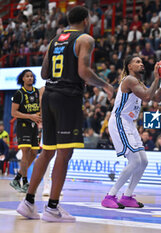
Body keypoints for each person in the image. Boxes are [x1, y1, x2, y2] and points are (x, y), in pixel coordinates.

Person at [17, 6, 114, 222]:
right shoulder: (85, 39)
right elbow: (83, 72)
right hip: (67, 97)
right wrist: (106, 86)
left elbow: (43, 72)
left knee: (47, 151)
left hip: (49, 94)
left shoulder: (54, 40)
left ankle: (28, 202)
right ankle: (52, 208)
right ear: (86, 19)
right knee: (64, 153)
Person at [101, 55, 161, 209]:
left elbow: (156, 98)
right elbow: (147, 97)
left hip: (129, 123)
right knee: (135, 161)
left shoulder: (139, 83)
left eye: (141, 61)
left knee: (143, 161)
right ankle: (110, 195)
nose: (141, 63)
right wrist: (157, 78)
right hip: (119, 120)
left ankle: (128, 196)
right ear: (129, 66)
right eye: (137, 62)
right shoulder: (129, 80)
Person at [10, 69, 41, 193]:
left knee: (34, 153)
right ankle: (25, 182)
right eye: (27, 76)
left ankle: (16, 178)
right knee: (26, 152)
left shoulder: (38, 92)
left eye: (31, 76)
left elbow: (39, 108)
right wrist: (30, 116)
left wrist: (38, 115)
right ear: (22, 79)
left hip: (34, 127)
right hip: (23, 126)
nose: (30, 78)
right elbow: (13, 112)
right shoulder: (19, 93)